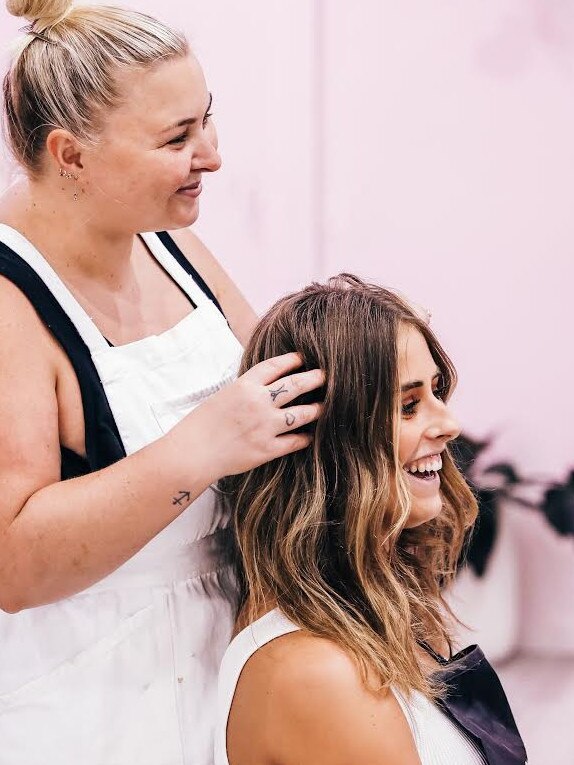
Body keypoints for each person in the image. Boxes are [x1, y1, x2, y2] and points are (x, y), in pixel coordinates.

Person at [0, 1, 323, 763]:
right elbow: (11, 564)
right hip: (84, 702)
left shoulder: (171, 241)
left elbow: (277, 383)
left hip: (224, 661)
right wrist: (196, 450)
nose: (210, 156)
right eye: (177, 138)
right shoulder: (10, 299)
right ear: (70, 155)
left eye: (206, 121)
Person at [216, 275, 527, 765]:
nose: (448, 424)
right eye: (408, 406)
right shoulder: (316, 673)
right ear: (330, 440)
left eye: (437, 391)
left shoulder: (378, 617)